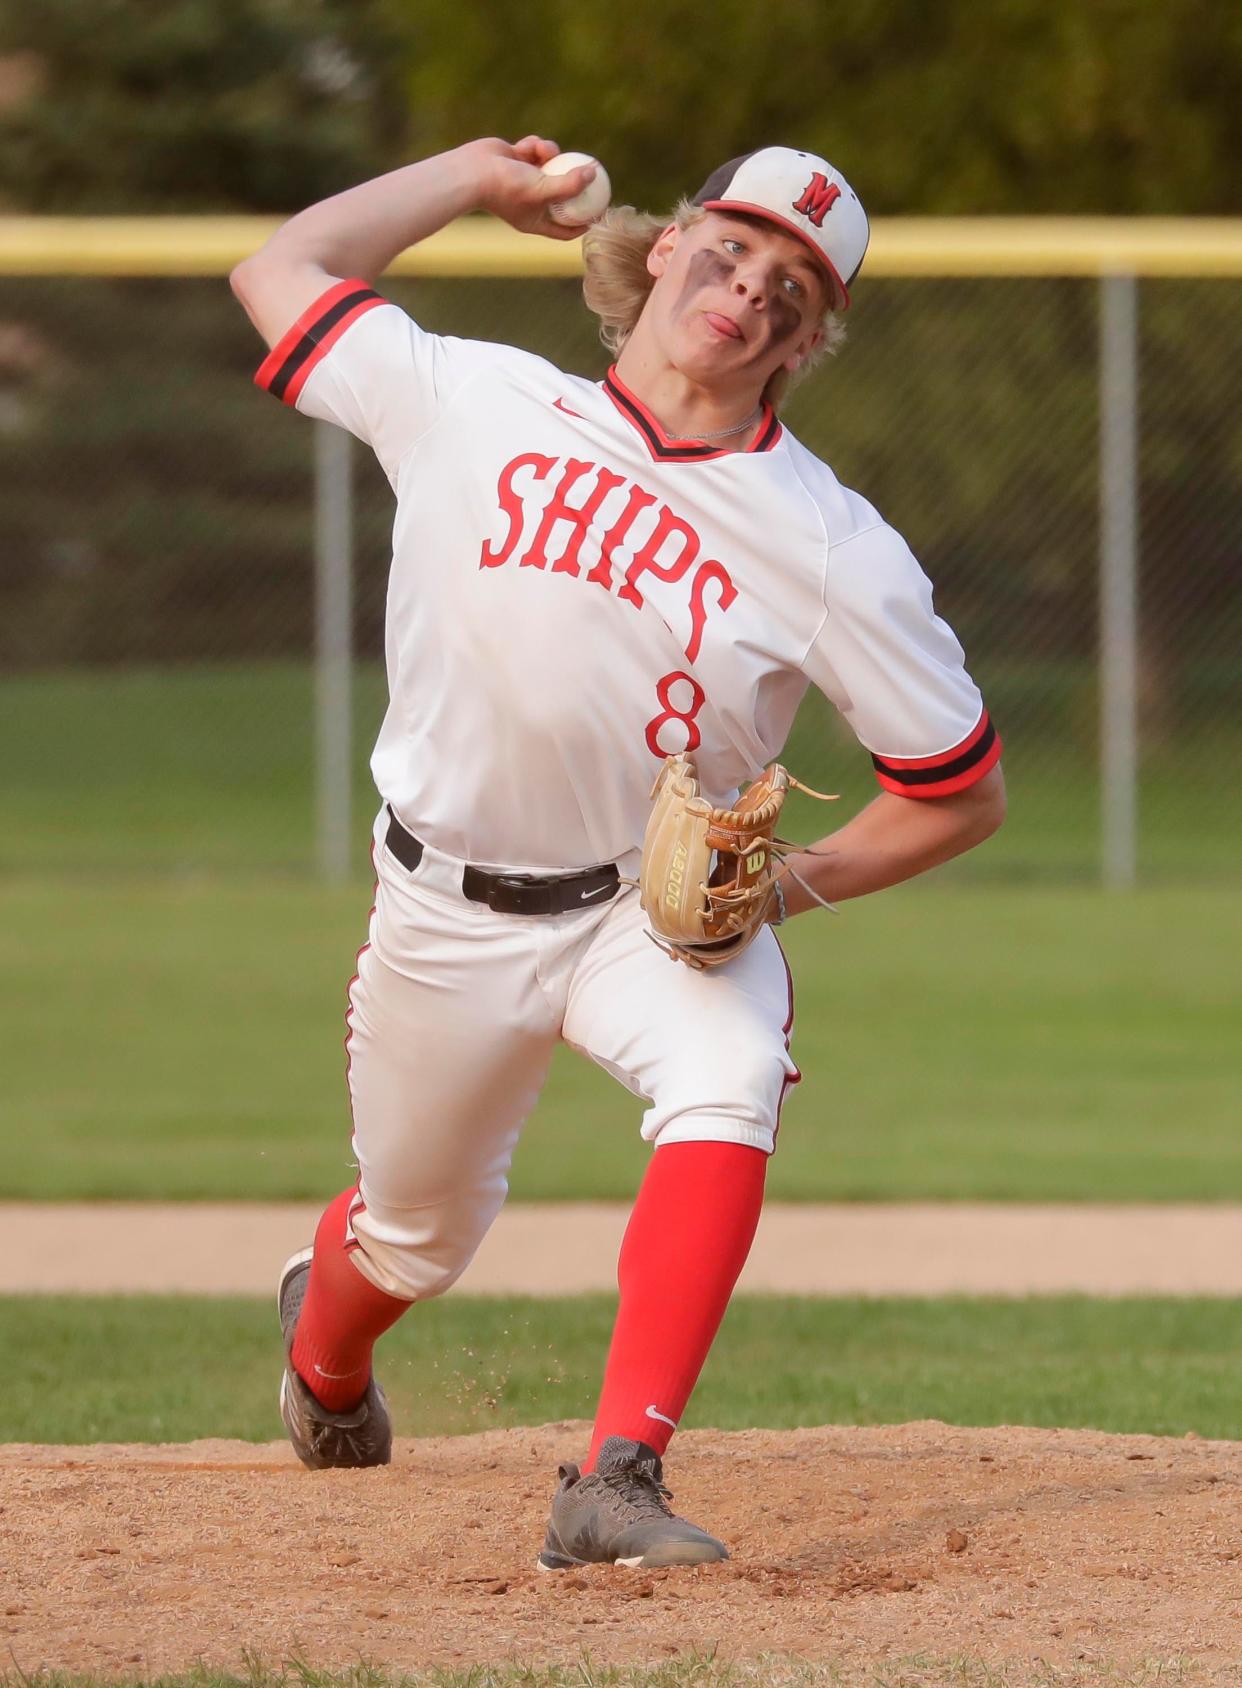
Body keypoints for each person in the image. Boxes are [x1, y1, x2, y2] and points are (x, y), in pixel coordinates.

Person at [231, 135, 1005, 1571]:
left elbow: (957, 790)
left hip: (650, 919)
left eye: (792, 287)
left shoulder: (829, 543)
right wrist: (471, 177)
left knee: (727, 1079)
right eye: (729, 247)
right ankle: (325, 1353)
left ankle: (615, 1479)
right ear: (664, 249)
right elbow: (280, 271)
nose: (748, 289)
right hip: (445, 907)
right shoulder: (474, 397)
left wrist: (778, 888)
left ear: (808, 339)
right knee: (412, 1238)